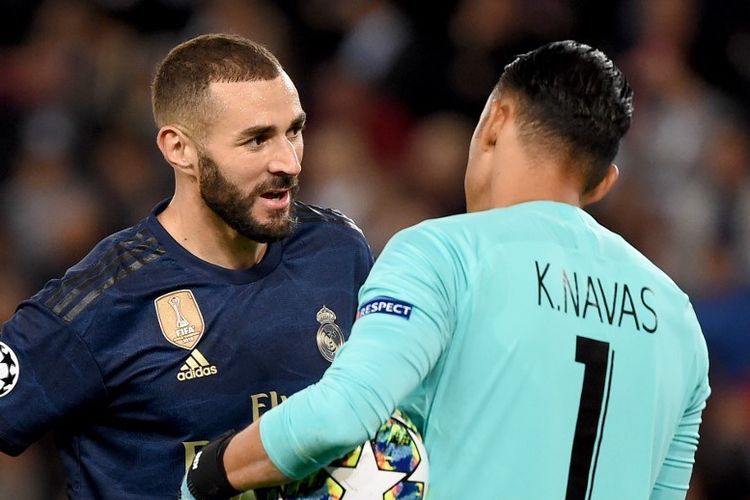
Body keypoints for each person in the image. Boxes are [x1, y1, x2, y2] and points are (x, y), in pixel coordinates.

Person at [182, 40, 711, 499]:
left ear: (496, 119)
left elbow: (341, 415)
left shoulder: (445, 253)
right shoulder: (678, 320)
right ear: (602, 184)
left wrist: (207, 474)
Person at [0, 33, 373, 498]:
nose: (288, 162)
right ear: (180, 149)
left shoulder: (336, 250)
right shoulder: (99, 303)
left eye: (293, 130)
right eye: (256, 139)